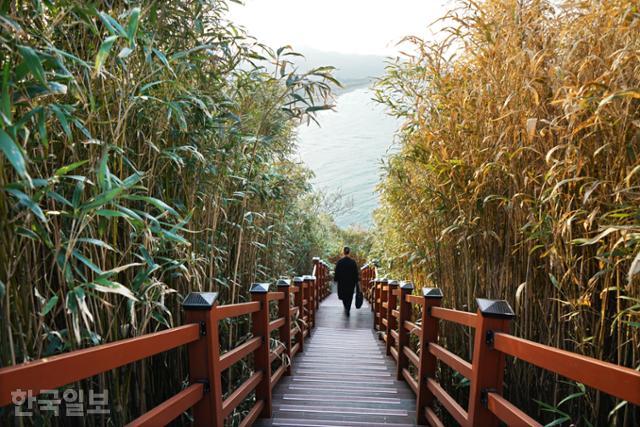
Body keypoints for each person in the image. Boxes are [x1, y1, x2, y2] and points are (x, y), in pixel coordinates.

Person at [334, 246, 359, 316]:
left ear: (343, 252)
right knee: (350, 295)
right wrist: (357, 281)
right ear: (349, 252)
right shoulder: (353, 262)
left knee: (343, 295)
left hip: (342, 282)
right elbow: (356, 273)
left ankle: (346, 307)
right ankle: (348, 308)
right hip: (351, 282)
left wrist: (336, 279)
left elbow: (337, 272)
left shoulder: (340, 262)